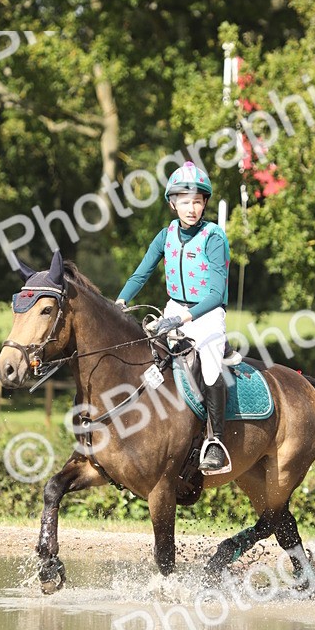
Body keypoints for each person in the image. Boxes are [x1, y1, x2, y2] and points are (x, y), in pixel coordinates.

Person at [116, 160, 232, 473]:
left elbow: (216, 293)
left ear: (204, 203)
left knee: (209, 367)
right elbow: (141, 274)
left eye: (197, 201)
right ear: (173, 204)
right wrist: (121, 301)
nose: (191, 208)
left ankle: (216, 441)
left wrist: (182, 320)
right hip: (173, 308)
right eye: (185, 202)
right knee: (147, 356)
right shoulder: (164, 236)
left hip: (206, 314)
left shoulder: (214, 237)